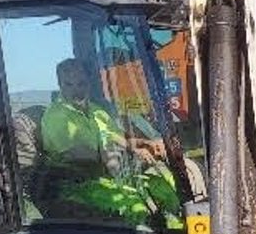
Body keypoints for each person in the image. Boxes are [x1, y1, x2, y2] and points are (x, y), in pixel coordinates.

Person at [39, 57, 179, 225]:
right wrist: (109, 155)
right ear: (60, 85)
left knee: (168, 189)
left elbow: (116, 137)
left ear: (89, 83)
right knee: (135, 208)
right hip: (76, 185)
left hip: (111, 175)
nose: (77, 90)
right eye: (69, 85)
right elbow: (78, 155)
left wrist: (146, 144)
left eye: (81, 83)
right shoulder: (56, 116)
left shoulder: (96, 111)